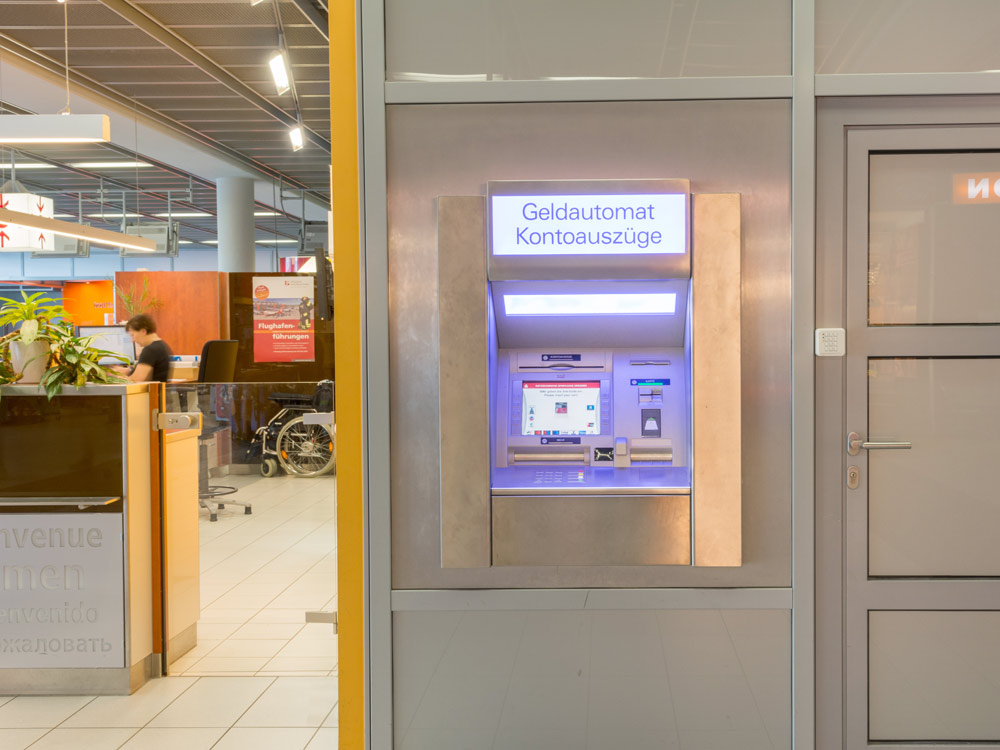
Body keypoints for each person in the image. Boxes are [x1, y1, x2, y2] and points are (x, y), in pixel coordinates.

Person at [113, 313, 173, 382]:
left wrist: (115, 378)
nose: (133, 340)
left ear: (143, 331)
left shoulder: (150, 350)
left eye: (133, 335)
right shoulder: (161, 345)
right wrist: (129, 371)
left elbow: (136, 379)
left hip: (150, 392)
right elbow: (149, 375)